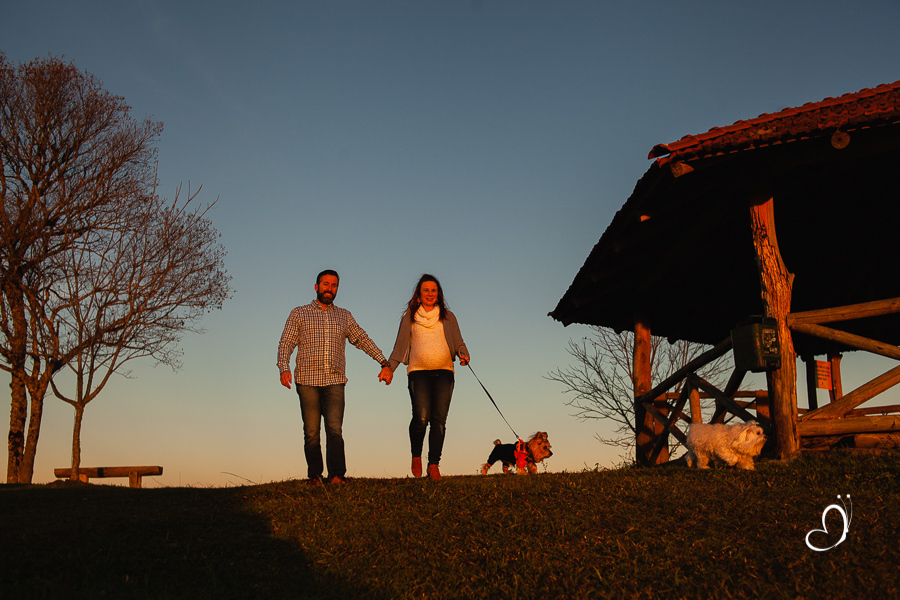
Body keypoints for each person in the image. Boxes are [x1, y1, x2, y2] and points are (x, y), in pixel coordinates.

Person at [277, 269, 393, 485]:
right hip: (307, 380)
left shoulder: (344, 316)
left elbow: (361, 339)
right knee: (311, 432)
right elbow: (286, 342)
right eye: (326, 284)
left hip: (335, 380)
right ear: (316, 287)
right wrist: (283, 367)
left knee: (334, 430)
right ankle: (314, 476)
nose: (329, 289)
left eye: (334, 286)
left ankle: (337, 476)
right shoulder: (299, 313)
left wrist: (383, 361)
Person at [386, 274, 469, 481]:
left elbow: (459, 341)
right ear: (419, 294)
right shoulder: (410, 317)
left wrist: (463, 352)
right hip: (418, 372)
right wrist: (390, 368)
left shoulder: (448, 317)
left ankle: (434, 464)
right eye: (426, 290)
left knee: (439, 420)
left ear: (438, 294)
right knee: (421, 418)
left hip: (445, 372)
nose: (430, 294)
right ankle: (416, 455)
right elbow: (400, 346)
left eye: (434, 290)